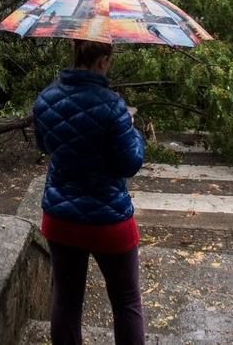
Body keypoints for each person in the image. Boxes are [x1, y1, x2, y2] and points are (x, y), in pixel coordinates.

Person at [33, 39, 145, 345]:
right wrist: (132, 128)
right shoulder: (113, 106)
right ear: (103, 61)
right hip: (109, 221)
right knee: (126, 302)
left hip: (61, 218)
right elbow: (129, 163)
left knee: (66, 301)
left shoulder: (45, 99)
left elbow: (44, 145)